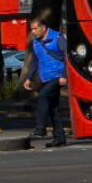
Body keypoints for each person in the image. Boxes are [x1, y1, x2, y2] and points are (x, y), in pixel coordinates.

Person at [23, 18, 68, 148]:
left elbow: (67, 56)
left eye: (35, 29)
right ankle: (59, 138)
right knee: (53, 108)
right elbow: (36, 61)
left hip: (58, 75)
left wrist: (64, 76)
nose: (33, 32)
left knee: (43, 95)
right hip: (46, 77)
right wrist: (29, 78)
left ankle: (40, 128)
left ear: (44, 28)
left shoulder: (58, 38)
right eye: (32, 29)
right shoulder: (36, 42)